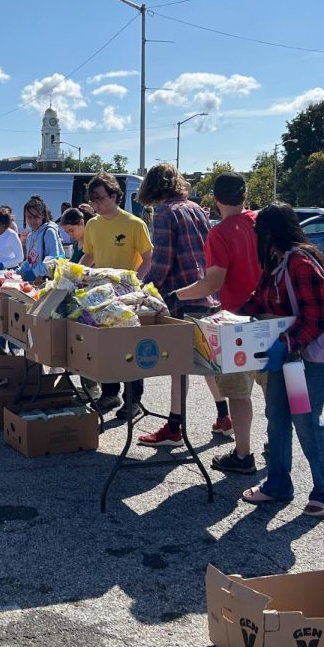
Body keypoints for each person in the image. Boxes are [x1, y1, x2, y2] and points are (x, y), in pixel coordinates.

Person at [238, 203, 324, 518]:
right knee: (277, 415)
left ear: (271, 232)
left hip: (310, 357)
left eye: (259, 233)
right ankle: (277, 484)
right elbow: (260, 297)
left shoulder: (301, 262)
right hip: (289, 355)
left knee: (305, 420)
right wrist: (231, 314)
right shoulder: (277, 260)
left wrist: (283, 346)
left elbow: (315, 320)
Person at [174, 172, 262, 466]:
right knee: (274, 389)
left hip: (237, 321)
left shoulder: (220, 233)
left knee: (238, 394)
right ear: (245, 194)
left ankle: (243, 454)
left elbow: (212, 283)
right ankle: (276, 449)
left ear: (215, 199)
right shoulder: (260, 222)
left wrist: (178, 295)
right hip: (273, 315)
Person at [131, 163, 217, 448]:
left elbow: (162, 261)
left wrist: (145, 291)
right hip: (203, 291)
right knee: (205, 360)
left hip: (180, 294)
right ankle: (224, 416)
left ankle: (174, 428)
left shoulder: (165, 212)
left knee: (178, 364)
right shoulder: (194, 208)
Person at [83, 172, 153, 418]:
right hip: (101, 298)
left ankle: (133, 401)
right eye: (92, 200)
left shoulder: (134, 224)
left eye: (99, 198)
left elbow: (148, 258)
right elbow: (89, 257)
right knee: (106, 348)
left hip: (127, 298)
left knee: (130, 350)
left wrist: (135, 284)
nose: (95, 204)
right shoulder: (92, 225)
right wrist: (76, 275)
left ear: (114, 195)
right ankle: (109, 394)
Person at [17, 196, 65, 281]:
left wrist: (35, 272)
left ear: (43, 216)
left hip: (51, 281)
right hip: (37, 281)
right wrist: (21, 270)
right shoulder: (30, 236)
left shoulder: (49, 232)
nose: (32, 221)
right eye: (29, 217)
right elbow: (31, 261)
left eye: (36, 217)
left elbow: (54, 259)